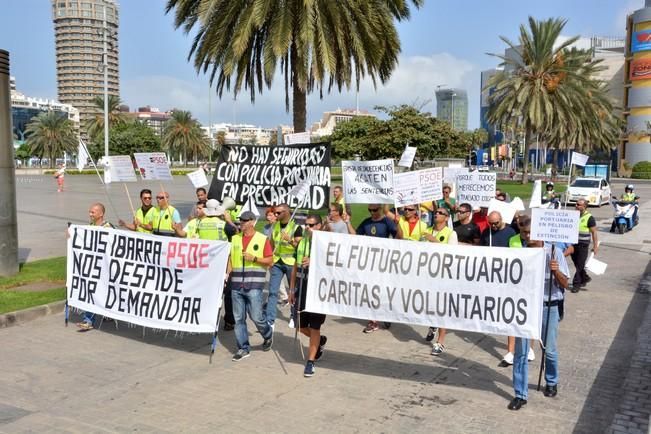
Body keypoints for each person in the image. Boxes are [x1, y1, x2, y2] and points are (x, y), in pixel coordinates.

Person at [508, 218, 569, 411]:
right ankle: (520, 393)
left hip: (548, 306)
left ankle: (551, 381)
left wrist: (556, 270)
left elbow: (566, 284)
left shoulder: (554, 252)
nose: (526, 237)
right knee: (521, 352)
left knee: (549, 349)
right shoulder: (521, 254)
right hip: (525, 307)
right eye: (523, 233)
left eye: (529, 233)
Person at [227, 211, 274, 361]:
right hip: (236, 285)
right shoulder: (235, 239)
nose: (242, 223)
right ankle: (243, 348)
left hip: (254, 284)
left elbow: (270, 260)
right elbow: (230, 259)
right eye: (241, 220)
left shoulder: (262, 239)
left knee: (256, 317)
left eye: (245, 221)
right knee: (239, 318)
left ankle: (267, 334)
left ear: (252, 222)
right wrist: (227, 275)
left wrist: (253, 258)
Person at [289, 214, 328, 377]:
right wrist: (291, 290)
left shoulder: (326, 244)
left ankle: (310, 362)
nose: (307, 228)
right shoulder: (302, 243)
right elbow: (295, 267)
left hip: (318, 292)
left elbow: (334, 267)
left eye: (311, 225)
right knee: (299, 326)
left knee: (314, 327)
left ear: (320, 226)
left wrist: (314, 262)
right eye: (306, 224)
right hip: (302, 289)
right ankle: (319, 341)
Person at [480, 211, 517, 365]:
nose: (493, 226)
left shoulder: (511, 233)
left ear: (502, 220)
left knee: (510, 314)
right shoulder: (486, 233)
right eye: (491, 223)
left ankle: (511, 351)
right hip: (491, 278)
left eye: (496, 223)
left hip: (507, 278)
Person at [356, 204, 398, 333]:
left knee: (383, 290)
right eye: (369, 210)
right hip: (370, 262)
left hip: (384, 262)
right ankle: (373, 321)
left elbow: (398, 237)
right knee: (371, 290)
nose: (372, 212)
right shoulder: (366, 222)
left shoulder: (387, 222)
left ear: (380, 209)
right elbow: (355, 236)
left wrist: (398, 224)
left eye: (374, 210)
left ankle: (385, 312)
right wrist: (347, 223)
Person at [422, 207, 457, 354]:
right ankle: (433, 324)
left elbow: (453, 255)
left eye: (441, 213)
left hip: (443, 276)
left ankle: (440, 341)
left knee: (442, 309)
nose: (436, 214)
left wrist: (434, 241)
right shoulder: (426, 230)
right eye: (436, 212)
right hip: (427, 275)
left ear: (447, 218)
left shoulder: (451, 233)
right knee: (429, 305)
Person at [77, 203, 114, 331]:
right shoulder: (90, 226)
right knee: (91, 291)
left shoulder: (108, 227)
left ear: (101, 214)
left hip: (104, 267)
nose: (90, 214)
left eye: (93, 212)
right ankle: (88, 320)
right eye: (90, 212)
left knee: (102, 291)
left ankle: (108, 313)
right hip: (93, 267)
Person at [267, 203, 303, 327]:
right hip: (277, 262)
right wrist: (270, 258)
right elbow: (272, 243)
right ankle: (270, 319)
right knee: (272, 291)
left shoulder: (296, 227)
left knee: (293, 291)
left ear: (286, 212)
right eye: (275, 213)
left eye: (278, 213)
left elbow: (299, 247)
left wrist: (290, 240)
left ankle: (293, 316)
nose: (275, 215)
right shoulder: (275, 225)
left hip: (290, 263)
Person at [571, 199, 598, 293]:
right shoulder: (573, 216)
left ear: (584, 207)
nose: (576, 206)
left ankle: (576, 284)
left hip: (583, 245)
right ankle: (585, 277)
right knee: (577, 263)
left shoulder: (589, 218)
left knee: (579, 265)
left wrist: (595, 246)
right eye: (576, 204)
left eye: (578, 204)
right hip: (573, 244)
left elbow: (594, 232)